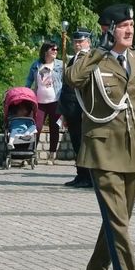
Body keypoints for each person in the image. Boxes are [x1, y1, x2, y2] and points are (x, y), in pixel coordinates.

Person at [67, 3, 135, 270]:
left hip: (134, 151)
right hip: (103, 152)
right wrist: (96, 52)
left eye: (132, 24)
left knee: (119, 219)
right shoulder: (92, 61)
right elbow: (72, 79)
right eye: (123, 25)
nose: (130, 29)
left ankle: (96, 268)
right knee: (119, 222)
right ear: (109, 30)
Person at [59, 30, 93, 188]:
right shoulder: (75, 58)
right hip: (71, 107)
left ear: (89, 42)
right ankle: (81, 174)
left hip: (80, 106)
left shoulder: (88, 58)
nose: (78, 44)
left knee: (82, 143)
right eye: (76, 42)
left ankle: (87, 175)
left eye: (81, 41)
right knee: (76, 142)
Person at [26, 42, 64, 160]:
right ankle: (31, 153)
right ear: (45, 51)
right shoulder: (36, 64)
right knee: (36, 127)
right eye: (53, 49)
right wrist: (26, 91)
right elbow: (29, 79)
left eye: (57, 49)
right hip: (40, 102)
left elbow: (66, 81)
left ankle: (52, 155)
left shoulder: (60, 64)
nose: (55, 51)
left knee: (54, 128)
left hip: (55, 101)